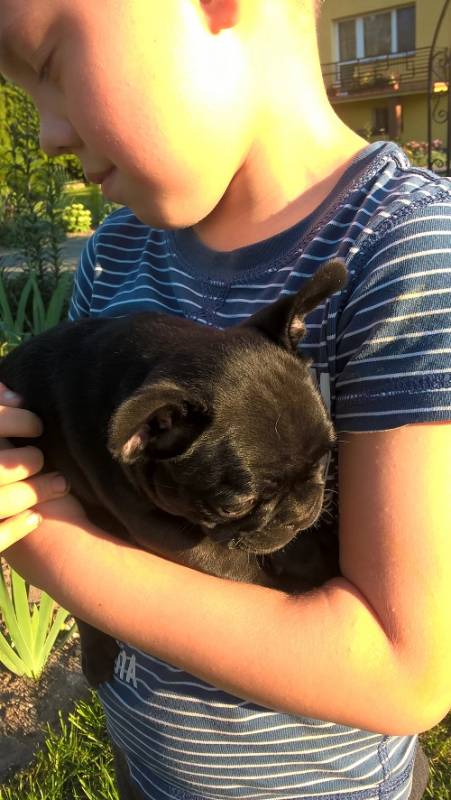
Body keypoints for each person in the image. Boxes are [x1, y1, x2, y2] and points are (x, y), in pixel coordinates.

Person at [0, 1, 450, 798]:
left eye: (52, 69)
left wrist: (39, 544)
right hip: (145, 751)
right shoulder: (114, 251)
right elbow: (79, 466)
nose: (48, 134)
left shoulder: (408, 250)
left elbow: (401, 674)